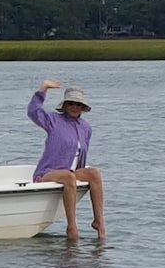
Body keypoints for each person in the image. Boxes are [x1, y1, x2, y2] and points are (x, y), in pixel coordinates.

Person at [27, 79, 106, 240]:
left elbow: (82, 154)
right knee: (68, 177)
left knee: (95, 173)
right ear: (65, 105)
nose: (74, 107)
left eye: (77, 104)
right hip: (48, 173)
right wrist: (43, 89)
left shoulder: (86, 127)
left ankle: (99, 221)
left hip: (72, 172)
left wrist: (82, 172)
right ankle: (71, 227)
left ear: (83, 107)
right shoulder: (53, 120)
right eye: (70, 104)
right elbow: (33, 111)